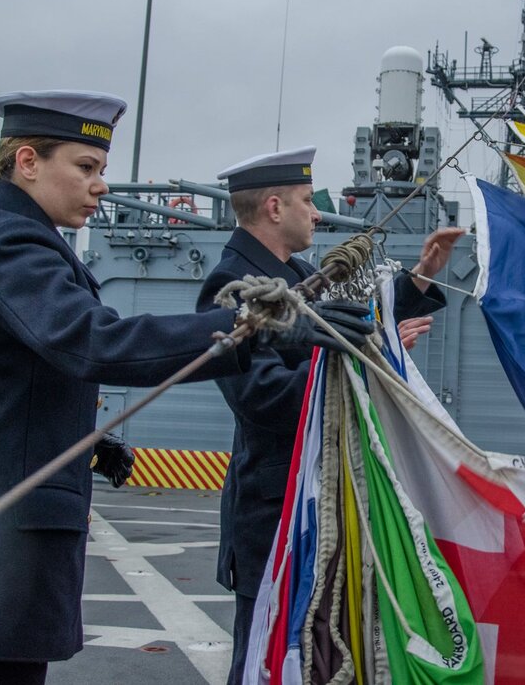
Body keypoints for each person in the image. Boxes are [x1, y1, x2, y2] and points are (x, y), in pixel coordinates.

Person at [0, 92, 371, 685]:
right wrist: (260, 330)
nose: (99, 186)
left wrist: (89, 440)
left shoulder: (10, 237)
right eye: (85, 168)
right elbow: (93, 340)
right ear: (27, 162)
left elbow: (13, 384)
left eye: (102, 171)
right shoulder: (8, 243)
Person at [194, 146, 465, 684]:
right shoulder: (230, 283)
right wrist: (364, 362)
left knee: (320, 652)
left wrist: (421, 278)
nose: (316, 212)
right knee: (264, 659)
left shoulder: (296, 272)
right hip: (277, 513)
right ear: (274, 208)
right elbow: (263, 397)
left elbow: (348, 320)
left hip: (323, 501)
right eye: (304, 201)